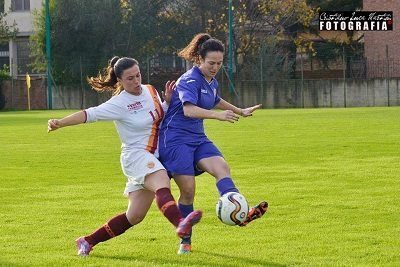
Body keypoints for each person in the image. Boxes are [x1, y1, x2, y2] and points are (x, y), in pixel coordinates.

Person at [47, 56, 202, 257]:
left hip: (151, 157)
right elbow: (88, 114)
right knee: (162, 179)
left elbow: (156, 116)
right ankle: (180, 223)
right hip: (136, 156)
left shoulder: (150, 90)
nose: (136, 81)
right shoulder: (119, 103)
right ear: (119, 81)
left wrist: (167, 102)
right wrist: (60, 122)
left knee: (135, 216)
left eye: (138, 75)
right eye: (130, 78)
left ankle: (87, 241)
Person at [159, 33, 268, 255]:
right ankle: (185, 241)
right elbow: (189, 110)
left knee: (222, 168)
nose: (215, 67)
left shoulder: (212, 81)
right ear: (200, 59)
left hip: (197, 138)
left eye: (219, 63)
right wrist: (218, 117)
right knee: (188, 190)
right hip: (176, 139)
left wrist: (240, 110)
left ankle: (240, 213)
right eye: (211, 63)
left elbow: (216, 99)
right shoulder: (188, 80)